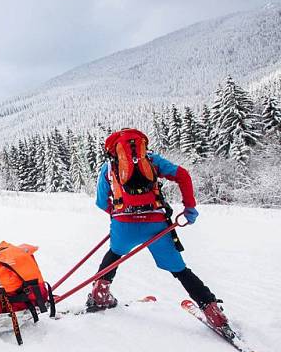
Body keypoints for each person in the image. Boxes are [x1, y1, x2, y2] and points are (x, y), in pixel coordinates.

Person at [89, 128, 230, 329]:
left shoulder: (109, 168)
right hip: (156, 225)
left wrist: (118, 212)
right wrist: (190, 208)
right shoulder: (152, 160)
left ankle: (100, 295)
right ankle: (211, 309)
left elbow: (101, 202)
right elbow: (182, 175)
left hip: (124, 226)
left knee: (114, 254)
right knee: (180, 270)